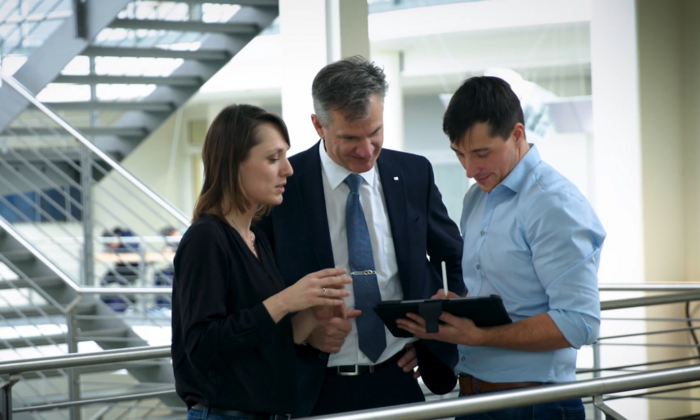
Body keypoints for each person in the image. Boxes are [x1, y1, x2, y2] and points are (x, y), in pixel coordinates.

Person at [256, 56, 465, 417]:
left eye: (375, 133)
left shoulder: (414, 174)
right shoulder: (282, 188)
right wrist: (303, 333)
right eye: (350, 138)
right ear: (318, 126)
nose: (366, 150)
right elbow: (258, 293)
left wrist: (429, 336)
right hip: (313, 388)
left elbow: (453, 261)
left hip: (398, 378)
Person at [396, 76, 606, 420]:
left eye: (481, 153)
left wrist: (480, 336)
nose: (469, 168)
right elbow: (508, 300)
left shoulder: (552, 202)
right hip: (474, 399)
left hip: (536, 406)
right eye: (459, 154)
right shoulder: (477, 197)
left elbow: (579, 323)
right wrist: (461, 312)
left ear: (518, 134)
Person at [171, 104, 352, 420]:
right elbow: (201, 346)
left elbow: (262, 339)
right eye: (273, 159)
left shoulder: (256, 238)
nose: (288, 169)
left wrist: (311, 316)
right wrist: (286, 300)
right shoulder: (207, 238)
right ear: (233, 165)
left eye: (285, 156)